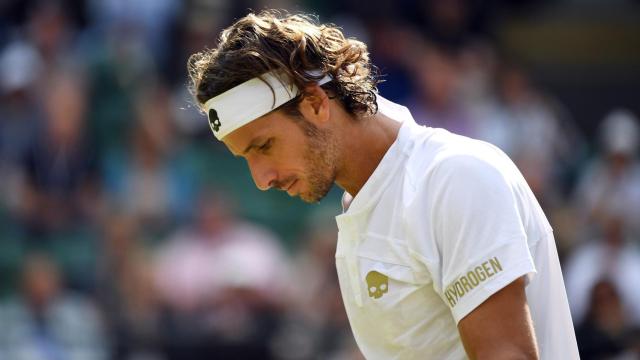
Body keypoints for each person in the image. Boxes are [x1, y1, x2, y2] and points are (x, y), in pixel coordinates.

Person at [186, 10, 579, 359]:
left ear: (316, 103)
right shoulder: (362, 206)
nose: (261, 179)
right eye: (246, 159)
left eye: (265, 146)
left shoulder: (455, 177)